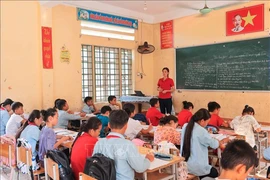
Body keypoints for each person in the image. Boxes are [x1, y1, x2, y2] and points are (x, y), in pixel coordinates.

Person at [93, 110, 154, 180]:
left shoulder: (99, 143)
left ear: (109, 125)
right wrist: (148, 159)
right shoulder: (128, 145)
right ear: (126, 126)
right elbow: (140, 168)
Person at [181, 108, 228, 179]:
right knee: (215, 172)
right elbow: (214, 144)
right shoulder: (201, 131)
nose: (206, 125)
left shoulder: (185, 126)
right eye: (207, 122)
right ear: (202, 120)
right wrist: (223, 141)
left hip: (185, 164)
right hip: (196, 167)